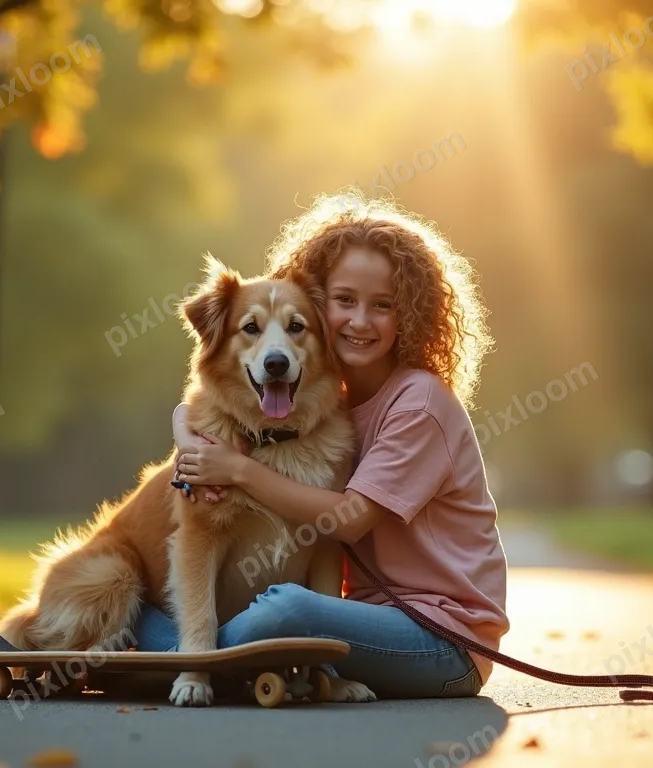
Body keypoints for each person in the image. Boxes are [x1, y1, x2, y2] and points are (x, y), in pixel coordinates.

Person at [136, 191, 509, 700]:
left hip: (443, 639)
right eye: (345, 301)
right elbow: (209, 400)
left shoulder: (418, 403)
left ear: (412, 315)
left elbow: (347, 520)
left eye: (383, 306)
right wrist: (186, 427)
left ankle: (146, 640)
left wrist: (239, 471)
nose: (360, 321)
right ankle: (203, 655)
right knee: (282, 613)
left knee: (287, 610)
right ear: (320, 304)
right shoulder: (331, 404)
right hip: (367, 620)